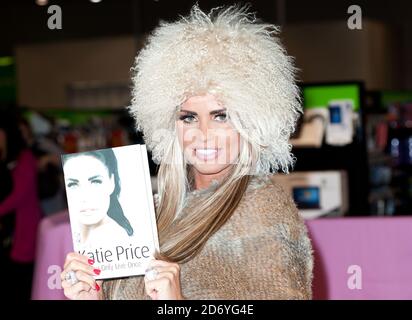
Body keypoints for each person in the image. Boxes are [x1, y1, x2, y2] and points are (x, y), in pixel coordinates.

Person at [61, 4, 313, 300]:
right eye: (188, 117)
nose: (203, 134)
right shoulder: (151, 211)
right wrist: (93, 296)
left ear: (253, 121)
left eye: (221, 116)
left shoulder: (263, 212)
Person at [0, 109, 42, 300]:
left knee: (22, 281)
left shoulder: (25, 158)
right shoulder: (10, 159)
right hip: (12, 232)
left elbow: (21, 195)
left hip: (25, 228)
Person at [62, 149, 134, 247]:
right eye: (72, 184)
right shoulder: (62, 234)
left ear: (111, 182)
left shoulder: (116, 239)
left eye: (96, 182)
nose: (85, 196)